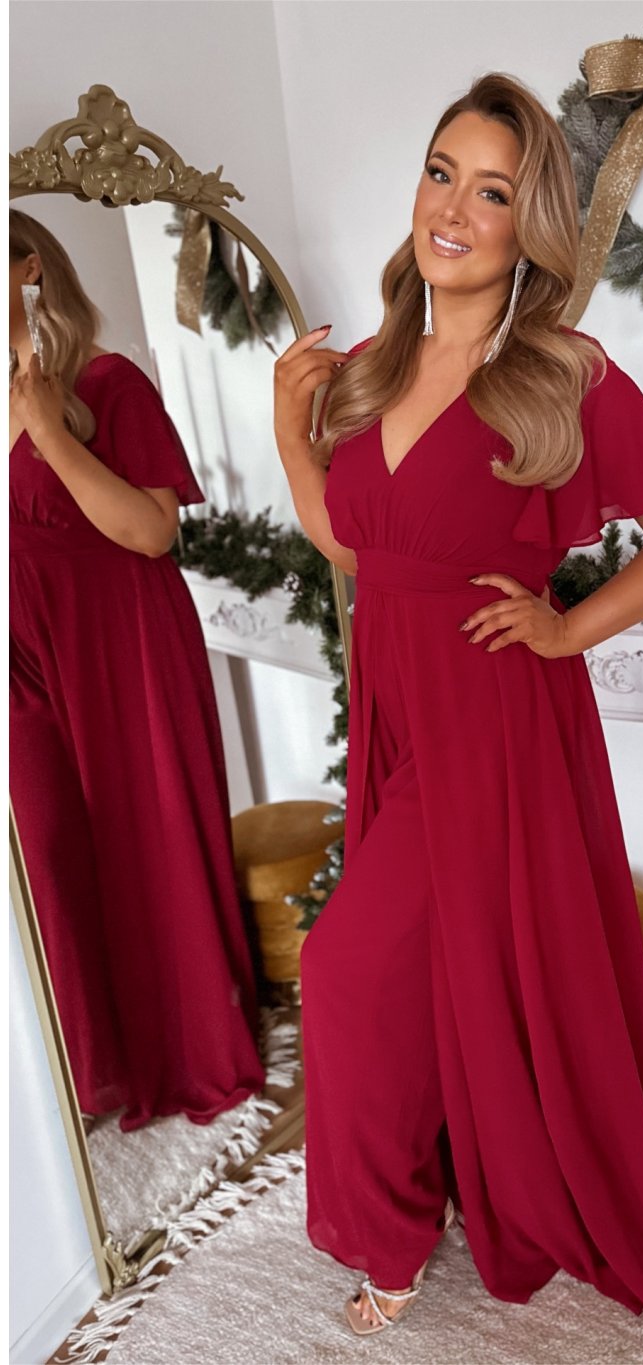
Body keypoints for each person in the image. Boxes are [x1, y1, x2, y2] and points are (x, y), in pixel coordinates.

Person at [274, 74, 643, 1339]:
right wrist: (289, 432)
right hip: (396, 714)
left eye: (491, 192)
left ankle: (388, 1236)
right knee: (420, 973)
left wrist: (564, 628)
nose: (453, 210)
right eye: (442, 173)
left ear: (527, 226)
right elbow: (356, 547)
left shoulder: (560, 373)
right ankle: (429, 1181)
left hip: (492, 725)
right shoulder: (373, 369)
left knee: (341, 969)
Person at [9, 209, 266, 1133]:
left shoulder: (106, 383)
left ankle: (186, 1050)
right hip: (23, 666)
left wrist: (51, 434)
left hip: (121, 647)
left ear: (28, 269)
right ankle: (93, 1071)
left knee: (149, 839)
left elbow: (154, 531)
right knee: (47, 857)